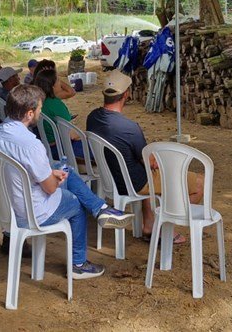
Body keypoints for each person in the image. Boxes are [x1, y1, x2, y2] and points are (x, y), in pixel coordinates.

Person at [0, 84, 132, 279]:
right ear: (29, 113)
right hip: (32, 212)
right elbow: (50, 188)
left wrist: (52, 173)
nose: (40, 112)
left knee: (65, 170)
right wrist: (55, 178)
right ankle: (78, 263)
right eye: (39, 109)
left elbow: (17, 169)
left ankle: (101, 209)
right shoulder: (31, 144)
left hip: (7, 208)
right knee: (76, 203)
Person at [86, 71, 203, 240]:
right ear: (126, 94)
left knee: (145, 170)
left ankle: (149, 223)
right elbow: (151, 162)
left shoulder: (92, 117)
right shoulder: (129, 128)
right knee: (199, 183)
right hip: (133, 183)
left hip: (111, 178)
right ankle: (162, 228)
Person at [34, 69, 84, 160]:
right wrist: (85, 135)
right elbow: (72, 135)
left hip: (46, 147)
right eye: (58, 80)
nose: (60, 83)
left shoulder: (38, 101)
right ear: (52, 86)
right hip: (60, 148)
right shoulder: (55, 104)